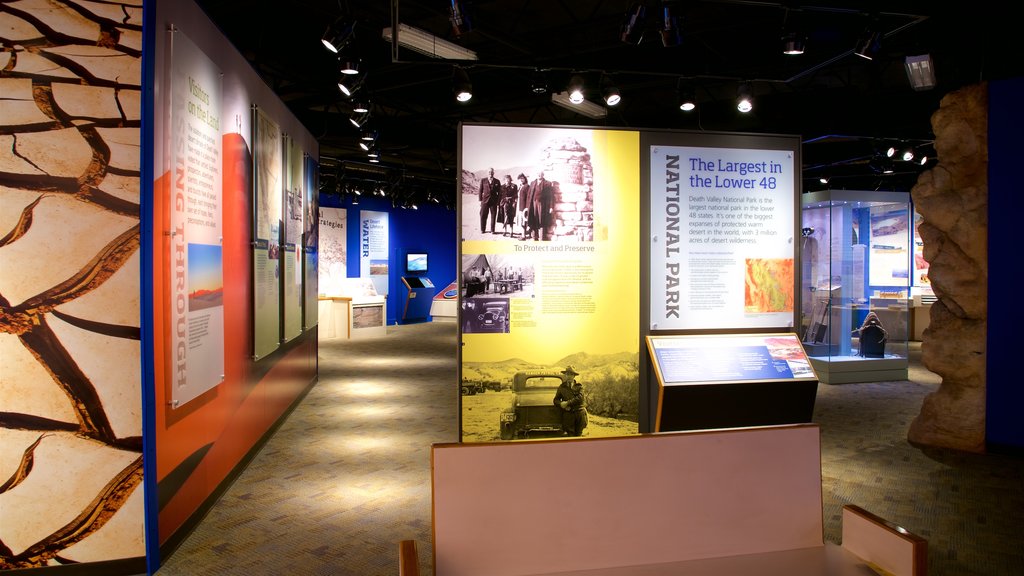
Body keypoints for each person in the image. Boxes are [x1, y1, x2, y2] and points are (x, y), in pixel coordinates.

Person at [552, 365, 587, 437]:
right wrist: (561, 404)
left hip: (579, 414)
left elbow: (580, 398)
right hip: (568, 415)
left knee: (579, 435)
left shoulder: (579, 386)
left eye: (571, 374)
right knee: (570, 435)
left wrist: (567, 403)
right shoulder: (562, 387)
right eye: (567, 374)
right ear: (565, 375)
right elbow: (556, 400)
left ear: (574, 376)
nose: (569, 376)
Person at [526, 169, 555, 241]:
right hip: (533, 204)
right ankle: (534, 237)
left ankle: (542, 238)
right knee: (533, 219)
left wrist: (551, 207)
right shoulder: (533, 183)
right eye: (538, 174)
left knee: (541, 220)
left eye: (541, 174)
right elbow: (529, 196)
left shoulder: (547, 183)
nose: (539, 175)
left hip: (543, 205)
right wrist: (527, 207)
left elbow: (551, 196)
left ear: (543, 175)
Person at [478, 167, 501, 235]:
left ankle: (492, 230)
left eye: (491, 172)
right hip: (484, 201)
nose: (490, 173)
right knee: (483, 215)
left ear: (493, 173)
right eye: (489, 172)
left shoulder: (497, 181)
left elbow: (499, 192)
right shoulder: (483, 180)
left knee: (493, 216)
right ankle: (482, 229)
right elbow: (480, 191)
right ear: (487, 173)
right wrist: (480, 200)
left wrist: (497, 201)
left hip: (493, 202)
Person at [515, 173, 531, 239]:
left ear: (525, 179)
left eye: (522, 178)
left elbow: (528, 197)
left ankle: (524, 235)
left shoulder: (527, 186)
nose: (521, 180)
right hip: (519, 205)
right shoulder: (521, 186)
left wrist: (527, 207)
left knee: (524, 220)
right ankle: (523, 234)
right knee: (521, 220)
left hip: (523, 206)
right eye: (520, 179)